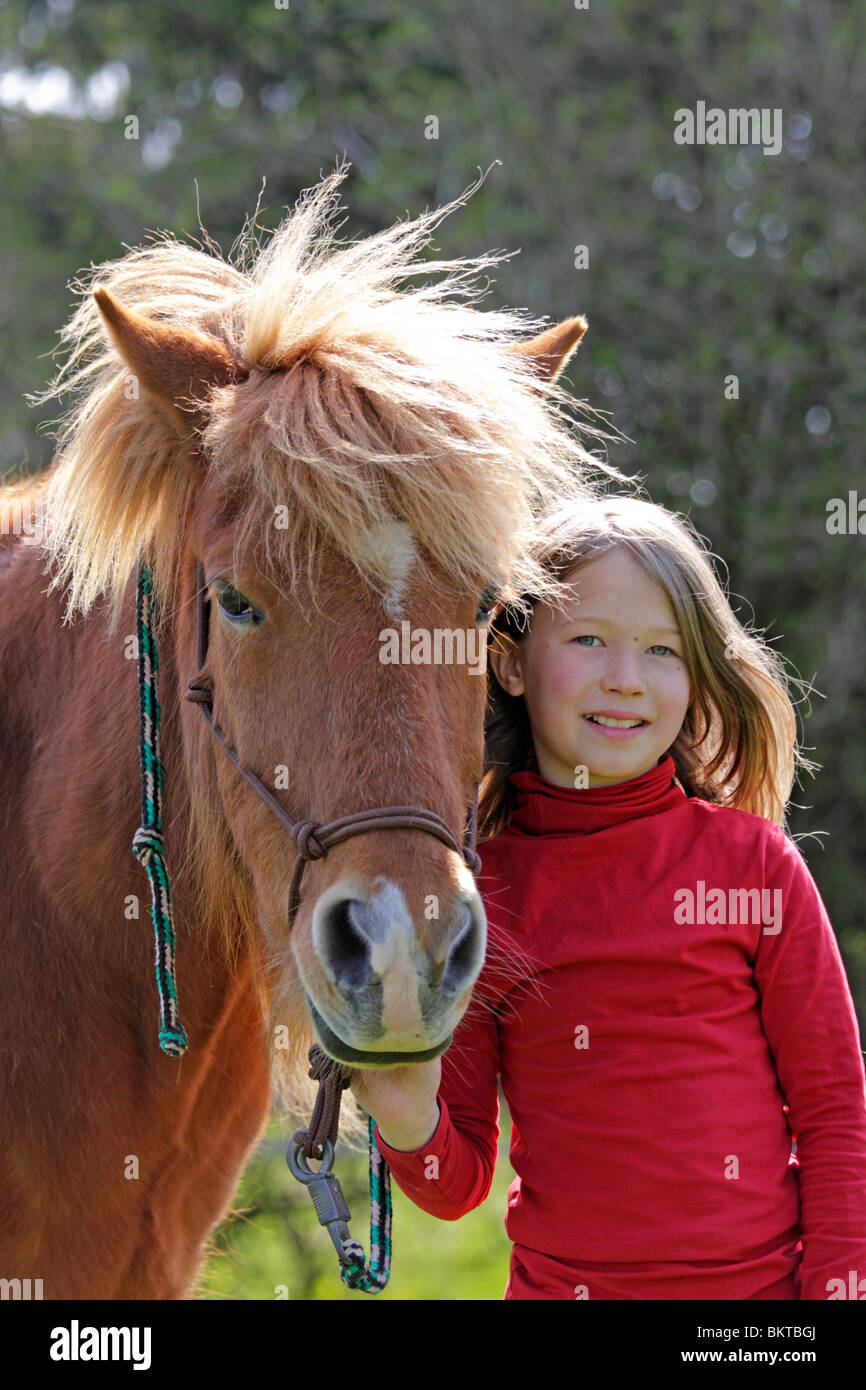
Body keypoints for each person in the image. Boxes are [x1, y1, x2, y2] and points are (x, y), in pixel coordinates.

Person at [349, 495, 866, 1300]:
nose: (625, 680)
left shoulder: (753, 867)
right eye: (589, 640)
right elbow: (456, 1188)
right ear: (511, 663)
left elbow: (835, 1113)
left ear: (696, 678)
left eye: (662, 651)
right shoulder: (480, 896)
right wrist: (406, 1113)